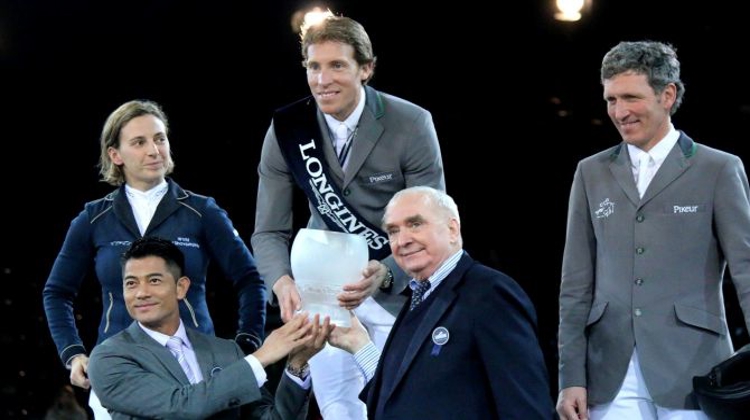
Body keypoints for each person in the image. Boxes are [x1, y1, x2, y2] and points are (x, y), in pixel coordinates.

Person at [251, 13, 445, 419]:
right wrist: (281, 281)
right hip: (324, 295)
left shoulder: (411, 123)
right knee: (339, 409)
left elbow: (433, 225)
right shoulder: (287, 129)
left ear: (366, 69)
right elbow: (268, 230)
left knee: (404, 406)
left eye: (337, 65)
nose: (323, 80)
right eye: (314, 67)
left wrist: (387, 271)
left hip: (400, 292)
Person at [557, 40, 750, 420]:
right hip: (608, 375)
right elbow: (574, 285)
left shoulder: (718, 169)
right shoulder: (590, 173)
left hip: (694, 370)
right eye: (611, 99)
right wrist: (570, 377)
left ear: (667, 94)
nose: (619, 111)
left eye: (631, 97)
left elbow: (747, 270)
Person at [43, 99, 267, 418]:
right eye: (139, 142)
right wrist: (73, 353)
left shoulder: (203, 212)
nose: (154, 150)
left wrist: (245, 344)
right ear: (115, 155)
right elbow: (57, 292)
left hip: (196, 367)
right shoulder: (93, 218)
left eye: (160, 138)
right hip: (119, 368)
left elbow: (250, 280)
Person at [327, 186, 555, 419]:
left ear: (452, 229)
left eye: (415, 224)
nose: (402, 240)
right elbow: (401, 397)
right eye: (393, 231)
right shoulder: (418, 297)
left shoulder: (490, 293)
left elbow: (527, 407)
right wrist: (359, 344)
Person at [88, 236, 332, 419]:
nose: (141, 293)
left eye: (154, 280)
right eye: (131, 283)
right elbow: (182, 407)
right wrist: (262, 357)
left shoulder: (227, 351)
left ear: (181, 288)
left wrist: (297, 365)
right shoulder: (109, 357)